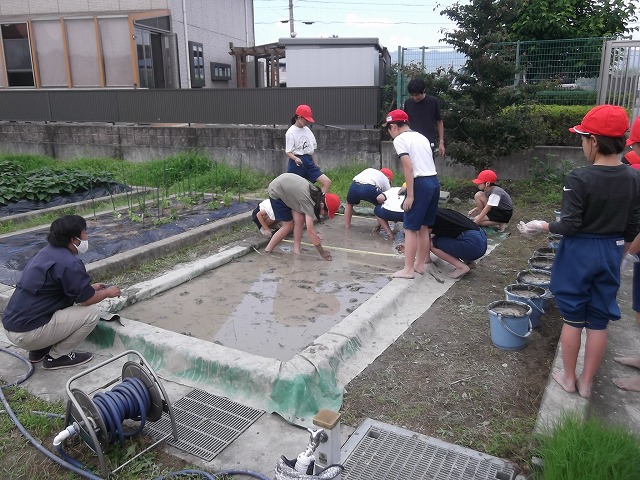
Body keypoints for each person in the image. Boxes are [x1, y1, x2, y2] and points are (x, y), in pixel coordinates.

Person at [518, 105, 640, 399]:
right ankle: (587, 382)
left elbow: (570, 225)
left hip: (579, 251)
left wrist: (542, 225)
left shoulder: (579, 178)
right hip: (612, 250)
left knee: (573, 318)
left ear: (594, 141)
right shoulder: (634, 178)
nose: (582, 144)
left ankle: (569, 378)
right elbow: (633, 225)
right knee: (598, 321)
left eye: (583, 138)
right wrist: (620, 255)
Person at [2, 215, 122, 370]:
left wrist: (90, 288)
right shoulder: (69, 263)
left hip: (13, 326)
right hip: (28, 333)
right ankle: (58, 357)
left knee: (58, 305)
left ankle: (38, 351)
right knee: (91, 313)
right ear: (74, 239)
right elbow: (86, 300)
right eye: (85, 232)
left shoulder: (46, 253)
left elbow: (63, 290)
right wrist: (107, 293)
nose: (87, 236)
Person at [383, 109, 440, 280]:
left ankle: (408, 270)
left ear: (393, 126)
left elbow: (409, 167)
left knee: (410, 228)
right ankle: (420, 265)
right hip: (434, 182)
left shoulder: (400, 139)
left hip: (420, 184)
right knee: (424, 228)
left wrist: (410, 195)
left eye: (388, 129)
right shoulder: (421, 137)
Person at [264, 173, 341, 261]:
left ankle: (296, 250)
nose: (324, 214)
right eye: (325, 212)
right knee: (288, 226)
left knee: (299, 220)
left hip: (289, 189)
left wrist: (315, 235)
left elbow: (308, 224)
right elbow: (310, 231)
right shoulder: (309, 202)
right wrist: (322, 252)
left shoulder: (316, 195)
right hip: (277, 191)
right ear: (322, 205)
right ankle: (267, 250)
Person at [285, 104, 331, 194]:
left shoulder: (307, 130)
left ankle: (318, 204)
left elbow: (312, 150)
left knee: (327, 182)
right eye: (305, 119)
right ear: (299, 117)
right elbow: (288, 152)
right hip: (296, 164)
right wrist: (295, 158)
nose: (307, 122)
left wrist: (316, 163)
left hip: (309, 162)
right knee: (296, 191)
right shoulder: (290, 132)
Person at [430, 207, 488, 279]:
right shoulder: (442, 212)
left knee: (431, 243)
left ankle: (461, 267)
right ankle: (469, 262)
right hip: (481, 241)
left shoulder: (428, 217)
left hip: (473, 246)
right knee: (450, 238)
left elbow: (424, 239)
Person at [402, 78, 445, 157]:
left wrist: (441, 142)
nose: (415, 98)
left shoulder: (433, 102)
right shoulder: (408, 103)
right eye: (412, 95)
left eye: (417, 95)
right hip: (412, 141)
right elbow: (405, 123)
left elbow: (439, 121)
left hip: (428, 141)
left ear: (423, 91)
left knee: (429, 167)